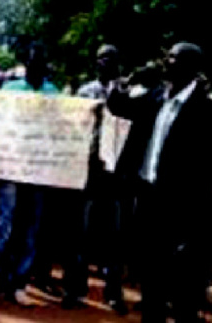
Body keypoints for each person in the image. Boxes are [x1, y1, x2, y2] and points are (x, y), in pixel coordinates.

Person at [107, 42, 212, 322]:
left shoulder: (207, 110)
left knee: (182, 280)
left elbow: (205, 168)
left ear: (191, 68)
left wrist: (196, 221)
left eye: (173, 58)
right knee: (151, 272)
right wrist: (122, 80)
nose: (166, 62)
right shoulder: (155, 97)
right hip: (147, 196)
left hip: (181, 205)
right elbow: (118, 105)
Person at [0, 43, 58, 310]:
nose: (37, 66)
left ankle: (18, 284)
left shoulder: (53, 93)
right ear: (26, 64)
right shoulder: (10, 90)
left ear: (46, 66)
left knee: (31, 227)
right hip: (10, 169)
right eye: (33, 62)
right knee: (4, 225)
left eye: (41, 63)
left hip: (38, 170)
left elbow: (63, 129)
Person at [73, 44, 128, 314]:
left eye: (111, 58)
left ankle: (113, 294)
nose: (105, 62)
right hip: (89, 173)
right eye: (101, 58)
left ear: (118, 62)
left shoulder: (130, 92)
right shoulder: (84, 92)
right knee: (82, 234)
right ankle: (76, 289)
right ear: (95, 63)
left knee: (114, 239)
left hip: (116, 176)